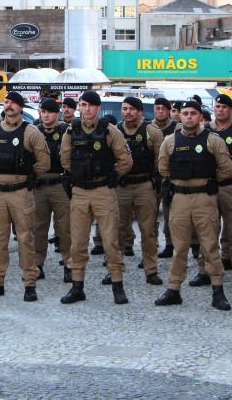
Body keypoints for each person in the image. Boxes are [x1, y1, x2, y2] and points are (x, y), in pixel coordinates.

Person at [154, 100, 232, 310]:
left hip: (204, 198)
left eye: (193, 113)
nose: (189, 117)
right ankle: (173, 289)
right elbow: (163, 169)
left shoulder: (213, 141)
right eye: (185, 113)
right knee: (179, 247)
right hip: (179, 198)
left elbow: (226, 169)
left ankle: (218, 290)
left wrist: (205, 181)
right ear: (179, 115)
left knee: (209, 246)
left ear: (201, 117)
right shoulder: (170, 141)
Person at [59, 91, 133, 305]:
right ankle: (77, 286)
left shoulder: (110, 131)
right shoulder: (71, 131)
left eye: (91, 105)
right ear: (79, 107)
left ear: (98, 107)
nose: (87, 109)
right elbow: (65, 159)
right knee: (77, 242)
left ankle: (117, 285)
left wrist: (112, 175)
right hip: (80, 192)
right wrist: (81, 173)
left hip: (103, 191)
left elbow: (125, 160)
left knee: (110, 241)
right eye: (83, 105)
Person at [0, 92, 50, 301]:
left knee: (26, 238)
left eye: (13, 103)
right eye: (7, 102)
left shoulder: (31, 132)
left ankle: (29, 283)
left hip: (21, 193)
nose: (9, 106)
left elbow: (44, 163)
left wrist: (28, 178)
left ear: (21, 107)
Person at [192, 94, 232, 291]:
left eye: (224, 107)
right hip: (209, 187)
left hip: (231, 187)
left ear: (231, 109)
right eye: (217, 106)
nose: (220, 109)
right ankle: (205, 270)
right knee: (207, 231)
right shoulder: (204, 130)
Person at [111, 97, 164, 286]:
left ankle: (151, 270)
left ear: (140, 111)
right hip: (121, 186)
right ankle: (114, 269)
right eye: (124, 108)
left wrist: (155, 179)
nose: (127, 112)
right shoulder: (115, 131)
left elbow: (160, 159)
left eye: (132, 109)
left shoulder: (152, 132)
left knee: (148, 230)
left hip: (144, 185)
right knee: (117, 230)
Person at [33, 98, 71, 282]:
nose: (45, 115)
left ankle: (69, 264)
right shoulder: (35, 131)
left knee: (65, 228)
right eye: (43, 112)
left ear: (57, 113)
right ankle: (37, 264)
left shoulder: (65, 131)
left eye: (49, 112)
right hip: (39, 186)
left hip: (60, 185)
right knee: (38, 228)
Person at [150, 98, 179, 259]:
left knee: (170, 214)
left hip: (170, 178)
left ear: (169, 111)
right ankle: (151, 246)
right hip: (152, 178)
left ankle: (170, 243)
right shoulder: (147, 128)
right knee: (150, 215)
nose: (160, 111)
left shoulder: (177, 128)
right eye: (157, 108)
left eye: (163, 108)